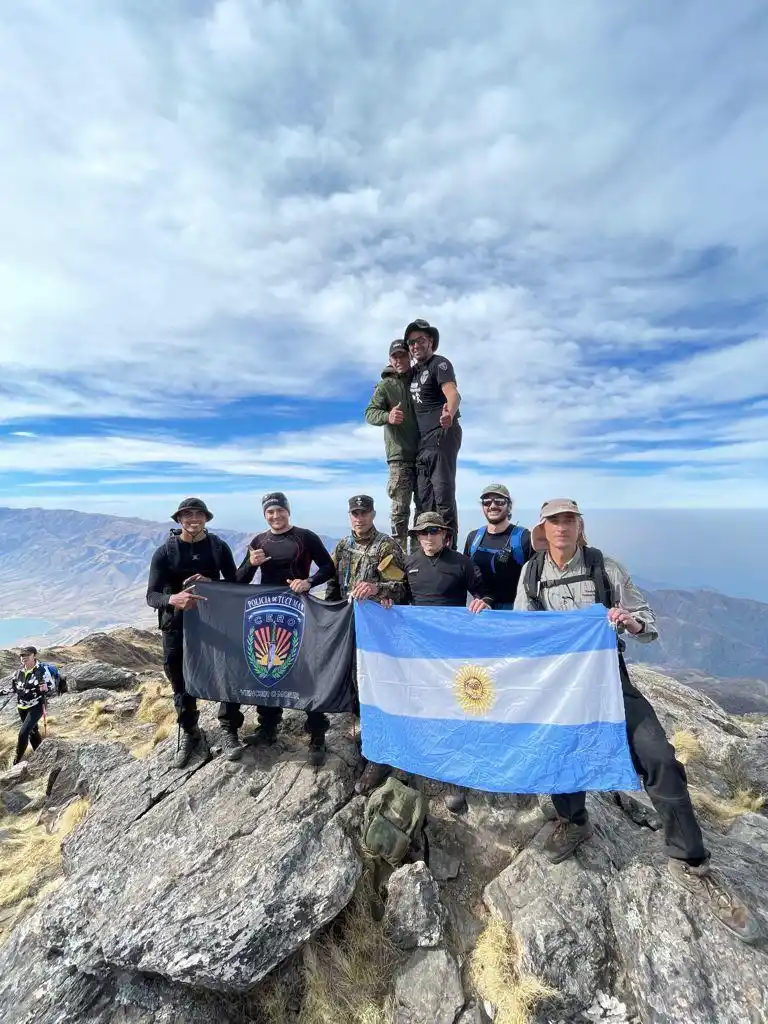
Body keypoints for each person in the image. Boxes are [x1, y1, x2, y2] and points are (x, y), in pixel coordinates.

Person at [514, 498, 759, 944]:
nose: (562, 527)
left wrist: (628, 622)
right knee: (558, 752)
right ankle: (574, 820)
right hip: (562, 685)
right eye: (554, 521)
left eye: (569, 520)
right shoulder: (531, 574)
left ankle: (690, 860)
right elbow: (522, 630)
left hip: (608, 678)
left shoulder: (605, 568)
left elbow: (649, 625)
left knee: (657, 755)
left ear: (579, 526)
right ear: (543, 529)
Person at [234, 491, 337, 765]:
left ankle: (317, 735)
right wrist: (250, 563)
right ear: (264, 515)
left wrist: (309, 582)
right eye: (270, 512)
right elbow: (240, 580)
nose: (275, 516)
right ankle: (267, 727)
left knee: (305, 668)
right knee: (266, 667)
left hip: (298, 609)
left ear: (288, 511)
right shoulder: (259, 541)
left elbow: (328, 567)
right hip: (266, 612)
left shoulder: (305, 537)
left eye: (280, 510)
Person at [404, 510, 493, 812]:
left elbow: (484, 593)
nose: (427, 537)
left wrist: (485, 602)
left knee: (454, 707)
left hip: (452, 651)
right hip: (419, 650)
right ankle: (417, 759)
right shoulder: (410, 562)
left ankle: (455, 775)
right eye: (422, 532)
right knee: (421, 704)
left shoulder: (461, 563)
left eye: (433, 532)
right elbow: (400, 598)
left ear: (445, 535)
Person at [146, 497, 239, 769]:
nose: (193, 519)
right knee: (180, 681)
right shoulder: (165, 552)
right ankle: (190, 732)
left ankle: (229, 730)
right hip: (176, 626)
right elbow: (152, 595)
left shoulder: (218, 548)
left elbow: (234, 582)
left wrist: (213, 584)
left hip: (214, 623)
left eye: (198, 514)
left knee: (225, 673)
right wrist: (173, 599)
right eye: (187, 515)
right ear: (179, 520)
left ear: (206, 519)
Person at [326, 494, 408, 795]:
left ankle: (381, 752)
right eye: (354, 513)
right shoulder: (342, 546)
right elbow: (334, 583)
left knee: (375, 684)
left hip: (377, 632)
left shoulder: (386, 546)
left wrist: (378, 588)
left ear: (373, 514)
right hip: (347, 625)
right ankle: (367, 732)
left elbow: (402, 588)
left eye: (364, 513)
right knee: (352, 680)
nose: (359, 518)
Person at [405, 318, 462, 546]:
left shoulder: (440, 364)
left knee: (443, 494)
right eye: (411, 342)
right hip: (424, 441)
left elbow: (453, 394)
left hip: (442, 433)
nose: (416, 345)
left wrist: (450, 414)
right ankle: (424, 550)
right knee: (423, 497)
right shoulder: (414, 372)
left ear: (431, 342)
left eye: (420, 340)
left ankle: (449, 547)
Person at [364, 339, 420, 551]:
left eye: (403, 355)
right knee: (400, 509)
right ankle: (398, 554)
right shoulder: (386, 386)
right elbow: (370, 413)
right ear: (390, 359)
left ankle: (418, 556)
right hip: (399, 456)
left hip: (423, 454)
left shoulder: (419, 379)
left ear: (410, 356)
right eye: (395, 356)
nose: (399, 360)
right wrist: (388, 416)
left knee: (423, 509)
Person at [463, 484, 533, 609]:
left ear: (509, 506)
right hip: (479, 611)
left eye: (500, 502)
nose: (493, 506)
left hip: (514, 613)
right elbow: (465, 575)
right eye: (487, 502)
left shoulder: (524, 538)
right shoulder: (473, 538)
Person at [0, 647, 56, 764]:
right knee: (32, 731)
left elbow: (51, 688)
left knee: (23, 733)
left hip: (36, 706)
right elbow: (14, 689)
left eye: (27, 655)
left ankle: (16, 761)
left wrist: (46, 689)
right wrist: (1, 692)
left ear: (34, 655)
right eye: (22, 655)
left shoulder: (41, 670)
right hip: (22, 707)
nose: (24, 657)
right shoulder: (18, 673)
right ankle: (41, 756)